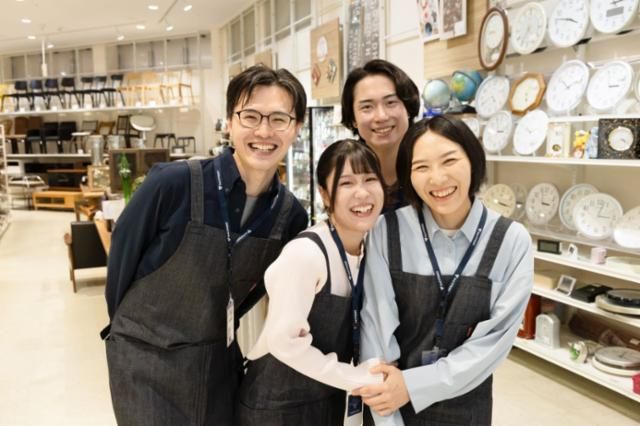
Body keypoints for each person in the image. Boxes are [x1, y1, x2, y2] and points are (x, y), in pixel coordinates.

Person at [102, 65, 309, 425]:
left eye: (279, 119)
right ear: (229, 122)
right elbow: (123, 255)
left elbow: (260, 289)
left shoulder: (289, 215)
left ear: (297, 128)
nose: (264, 131)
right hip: (145, 363)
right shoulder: (173, 184)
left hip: (217, 364)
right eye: (250, 116)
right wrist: (129, 332)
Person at [355, 115, 533, 425]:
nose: (437, 178)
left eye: (449, 161)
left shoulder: (511, 241)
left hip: (466, 405)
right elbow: (375, 325)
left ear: (473, 161)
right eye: (421, 167)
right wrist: (387, 410)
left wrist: (412, 386)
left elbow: (493, 342)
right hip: (391, 402)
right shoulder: (386, 231)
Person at [236, 139, 386, 425]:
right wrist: (353, 377)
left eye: (370, 179)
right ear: (324, 194)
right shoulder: (306, 254)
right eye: (346, 183)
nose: (362, 193)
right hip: (276, 408)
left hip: (325, 401)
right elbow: (283, 341)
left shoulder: (368, 248)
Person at [341, 59, 420, 211]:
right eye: (367, 107)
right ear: (353, 119)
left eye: (390, 103)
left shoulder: (429, 166)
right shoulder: (342, 173)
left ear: (408, 109)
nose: (381, 116)